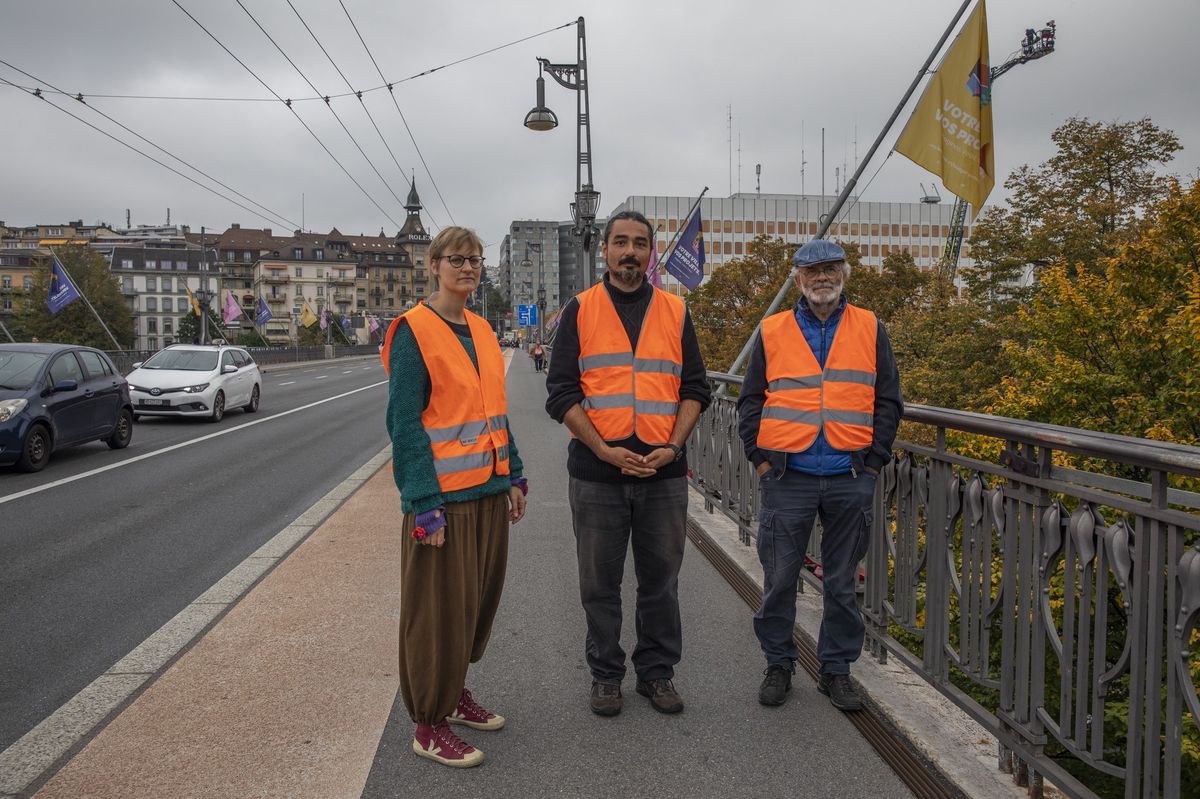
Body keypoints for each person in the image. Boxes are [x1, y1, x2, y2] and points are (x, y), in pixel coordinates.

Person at [545, 210, 710, 717]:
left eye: (640, 243)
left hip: (663, 473)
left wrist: (674, 447)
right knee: (599, 586)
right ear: (606, 250)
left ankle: (656, 673)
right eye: (620, 242)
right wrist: (602, 449)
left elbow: (695, 389)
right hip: (598, 474)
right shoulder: (580, 309)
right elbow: (561, 393)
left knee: (661, 584)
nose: (630, 252)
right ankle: (606, 675)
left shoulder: (676, 311)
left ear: (650, 252)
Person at [382, 225, 528, 768]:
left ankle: (454, 693)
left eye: (475, 260)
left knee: (472, 609)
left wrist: (514, 474)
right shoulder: (414, 331)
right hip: (442, 502)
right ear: (434, 265)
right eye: (457, 259)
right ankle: (429, 723)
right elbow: (405, 423)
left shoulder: (483, 330)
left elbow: (495, 412)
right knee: (437, 615)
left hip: (486, 493)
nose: (468, 268)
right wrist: (423, 502)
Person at [737, 239, 902, 711]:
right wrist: (760, 459)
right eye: (812, 271)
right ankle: (778, 664)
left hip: (850, 474)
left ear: (844, 275)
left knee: (842, 583)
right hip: (788, 475)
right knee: (780, 580)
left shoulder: (869, 326)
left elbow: (888, 400)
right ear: (798, 279)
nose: (822, 277)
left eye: (830, 269)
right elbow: (751, 400)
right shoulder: (773, 330)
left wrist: (874, 463)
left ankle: (836, 670)